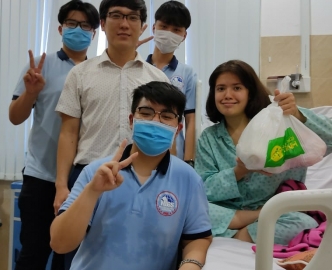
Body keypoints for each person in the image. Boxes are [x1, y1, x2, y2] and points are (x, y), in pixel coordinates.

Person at [51, 81, 212, 270]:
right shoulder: (96, 172)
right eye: (146, 113)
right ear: (131, 120)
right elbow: (60, 244)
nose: (155, 121)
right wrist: (92, 192)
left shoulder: (189, 179)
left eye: (167, 116)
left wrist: (191, 264)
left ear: (177, 129)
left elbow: (198, 237)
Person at [195, 60, 332, 245]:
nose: (227, 95)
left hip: (276, 210)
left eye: (237, 87)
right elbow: (204, 188)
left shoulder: (278, 124)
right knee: (192, 208)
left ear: (250, 92)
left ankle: (238, 235)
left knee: (303, 222)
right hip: (227, 211)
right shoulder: (209, 138)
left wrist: (297, 115)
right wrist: (239, 171)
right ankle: (254, 225)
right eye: (220, 89)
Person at [8, 1, 99, 269]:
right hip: (40, 177)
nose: (78, 30)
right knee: (33, 254)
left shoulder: (96, 70)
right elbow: (15, 117)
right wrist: (31, 93)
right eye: (72, 23)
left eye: (85, 25)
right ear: (60, 28)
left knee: (69, 258)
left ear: (94, 32)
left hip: (81, 179)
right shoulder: (40, 66)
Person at [146, 0, 197, 165]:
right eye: (164, 27)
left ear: (184, 36)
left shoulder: (187, 73)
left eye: (176, 30)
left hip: (174, 151)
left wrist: (188, 160)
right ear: (154, 28)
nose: (169, 33)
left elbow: (190, 120)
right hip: (140, 146)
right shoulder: (139, 67)